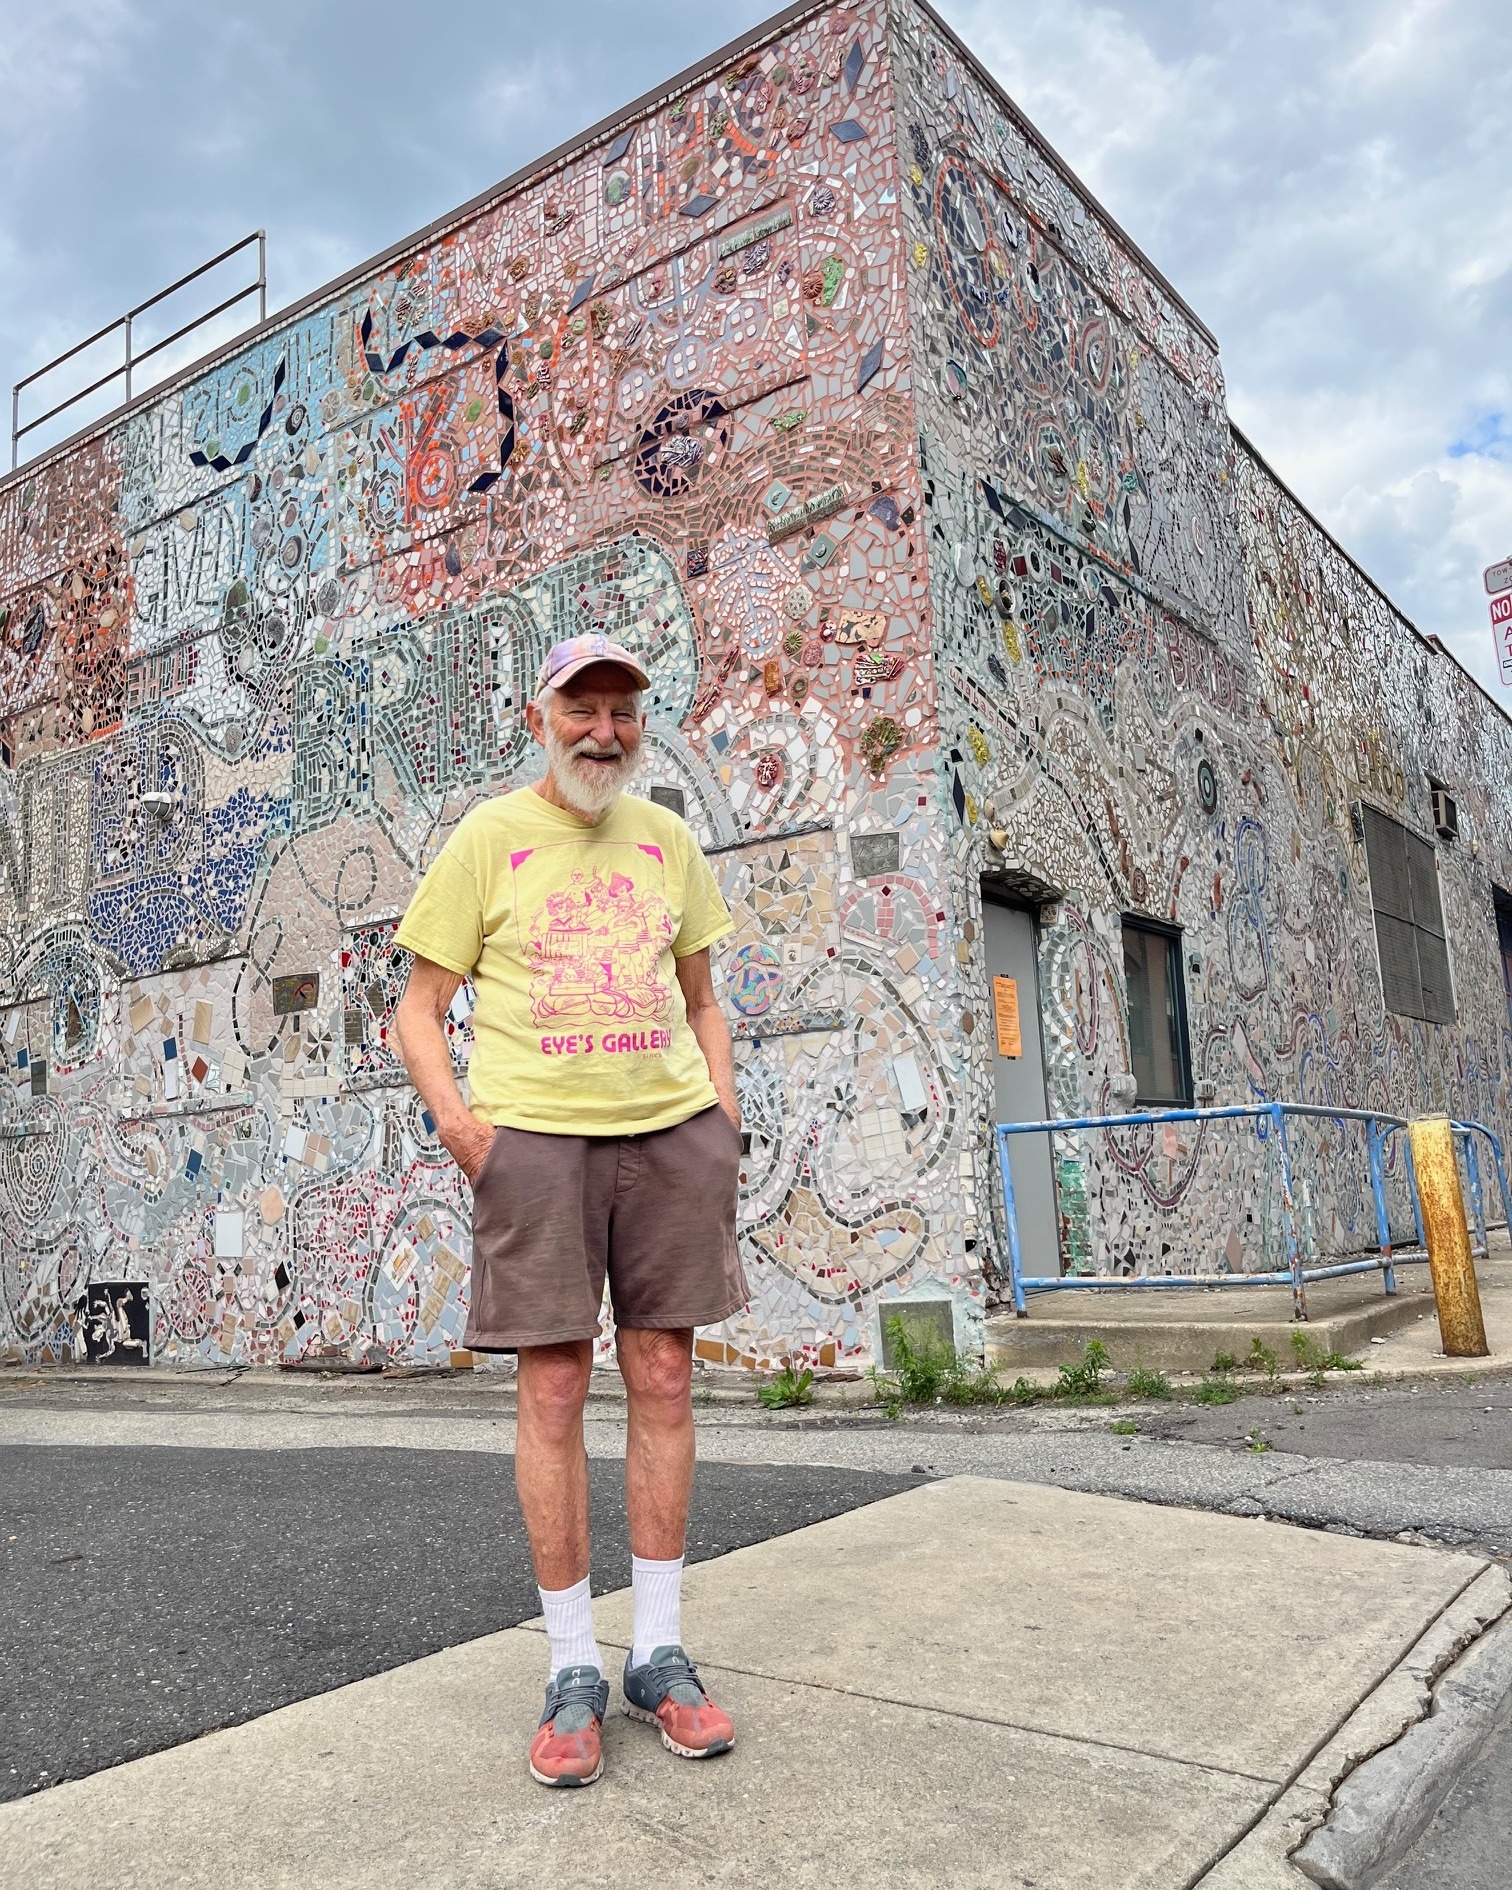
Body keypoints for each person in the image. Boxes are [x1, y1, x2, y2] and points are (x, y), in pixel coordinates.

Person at [393, 633, 747, 1788]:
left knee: (665, 1376)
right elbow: (420, 1006)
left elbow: (704, 997)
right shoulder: (489, 839)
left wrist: (723, 1121)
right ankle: (571, 1670)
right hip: (534, 1140)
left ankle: (658, 1654)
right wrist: (461, 1124)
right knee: (552, 1385)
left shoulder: (669, 840)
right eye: (582, 710)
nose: (605, 731)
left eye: (624, 713)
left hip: (668, 1133)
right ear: (537, 715)